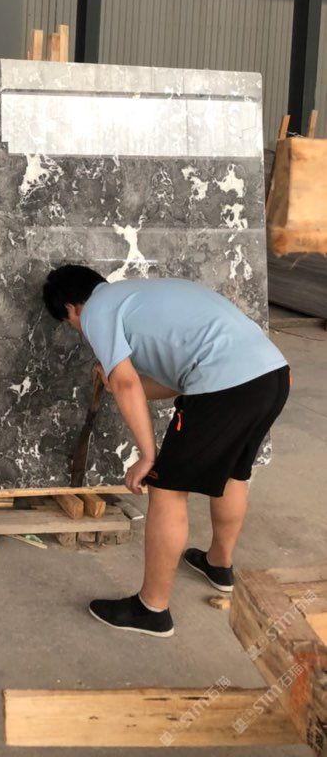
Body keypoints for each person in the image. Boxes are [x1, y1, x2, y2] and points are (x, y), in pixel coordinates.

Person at [42, 264, 289, 638]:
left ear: (71, 308)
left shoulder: (96, 310)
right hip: (271, 376)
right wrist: (116, 383)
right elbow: (173, 383)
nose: (80, 330)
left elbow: (128, 386)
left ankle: (151, 609)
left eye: (71, 324)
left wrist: (147, 455)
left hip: (226, 385)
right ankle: (218, 564)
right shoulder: (140, 298)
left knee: (167, 489)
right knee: (233, 473)